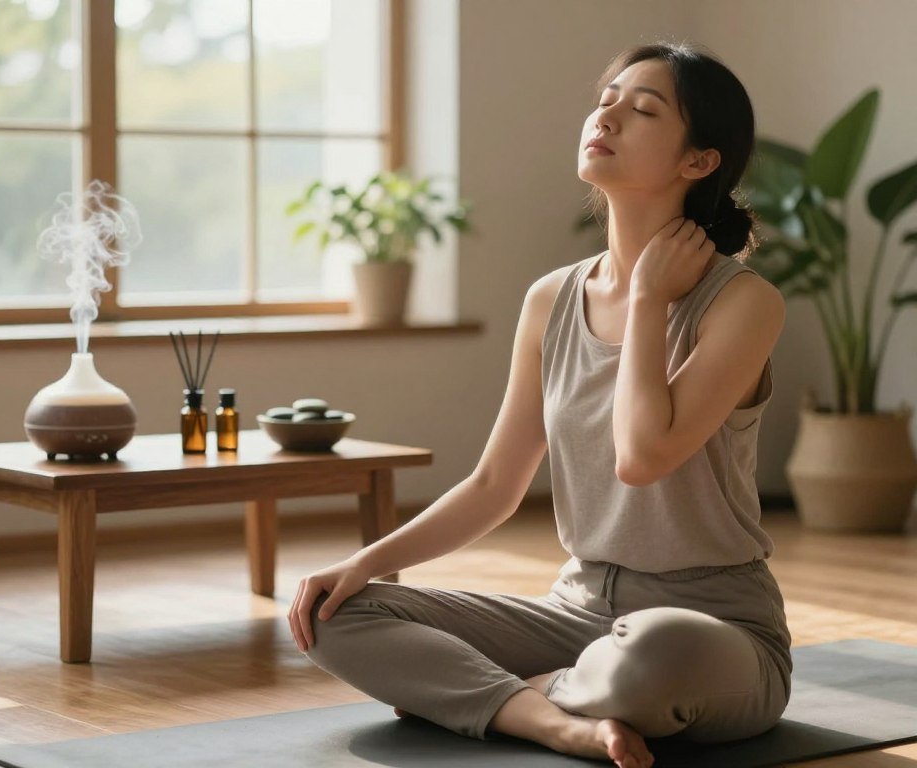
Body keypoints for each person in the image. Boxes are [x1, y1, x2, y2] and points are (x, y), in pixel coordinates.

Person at [287, 40, 791, 768]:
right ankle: (557, 720)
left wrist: (648, 296)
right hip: (576, 618)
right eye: (607, 99)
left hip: (712, 629)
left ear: (699, 161)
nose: (607, 115)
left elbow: (643, 457)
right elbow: (495, 486)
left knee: (650, 656)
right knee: (332, 616)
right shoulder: (550, 300)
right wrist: (363, 564)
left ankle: (493, 696)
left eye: (642, 108)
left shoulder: (743, 303)